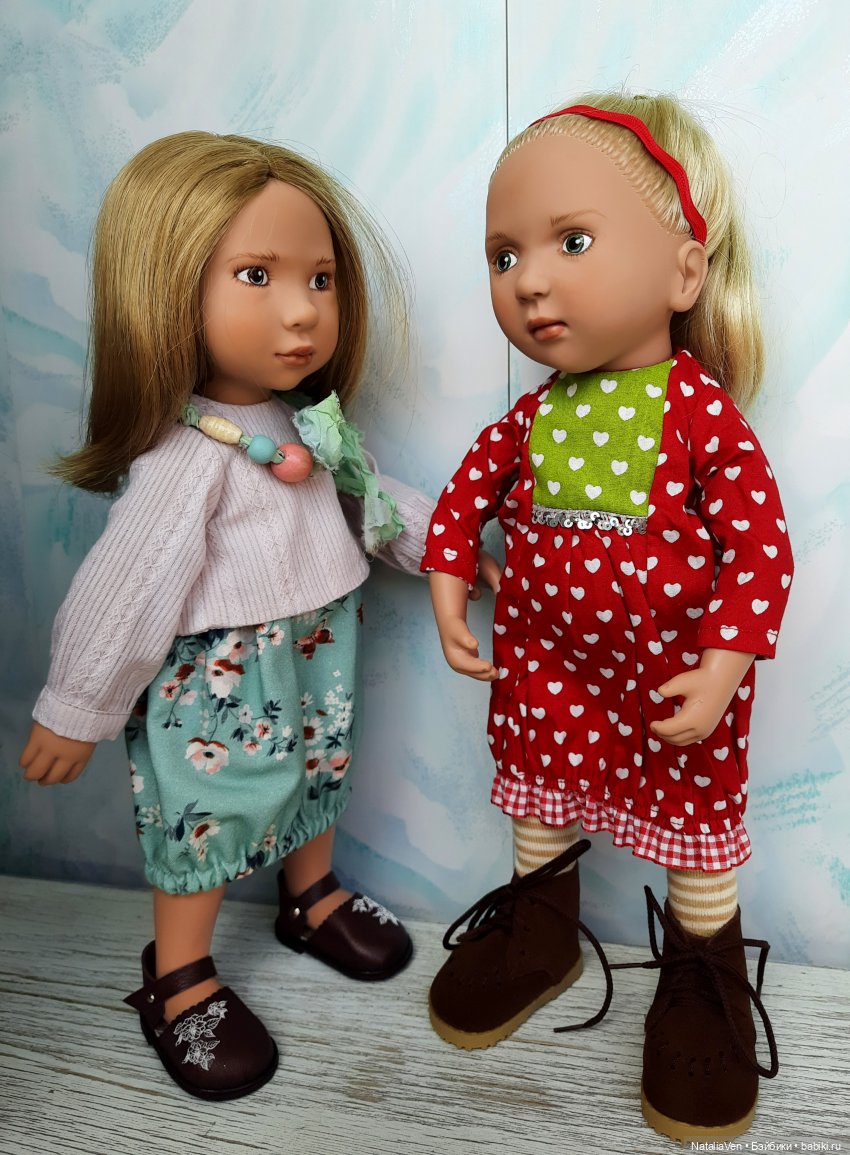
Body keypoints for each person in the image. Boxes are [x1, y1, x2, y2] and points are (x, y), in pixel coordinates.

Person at [20, 131, 435, 1101]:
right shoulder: (189, 455)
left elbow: (368, 498)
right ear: (165, 291)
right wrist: (76, 704)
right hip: (221, 673)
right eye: (258, 275)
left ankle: (310, 897)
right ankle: (179, 979)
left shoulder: (306, 424)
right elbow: (127, 582)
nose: (302, 309)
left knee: (320, 774)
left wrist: (450, 547)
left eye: (320, 279)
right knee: (211, 815)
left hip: (319, 642)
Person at [421, 93, 793, 1142]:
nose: (529, 280)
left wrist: (723, 667)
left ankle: (703, 970)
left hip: (671, 675)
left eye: (571, 242)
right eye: (503, 256)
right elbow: (465, 499)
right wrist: (448, 584)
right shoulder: (534, 414)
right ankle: (540, 927)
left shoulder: (698, 412)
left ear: (684, 272)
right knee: (540, 781)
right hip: (548, 664)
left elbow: (761, 550)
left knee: (693, 813)